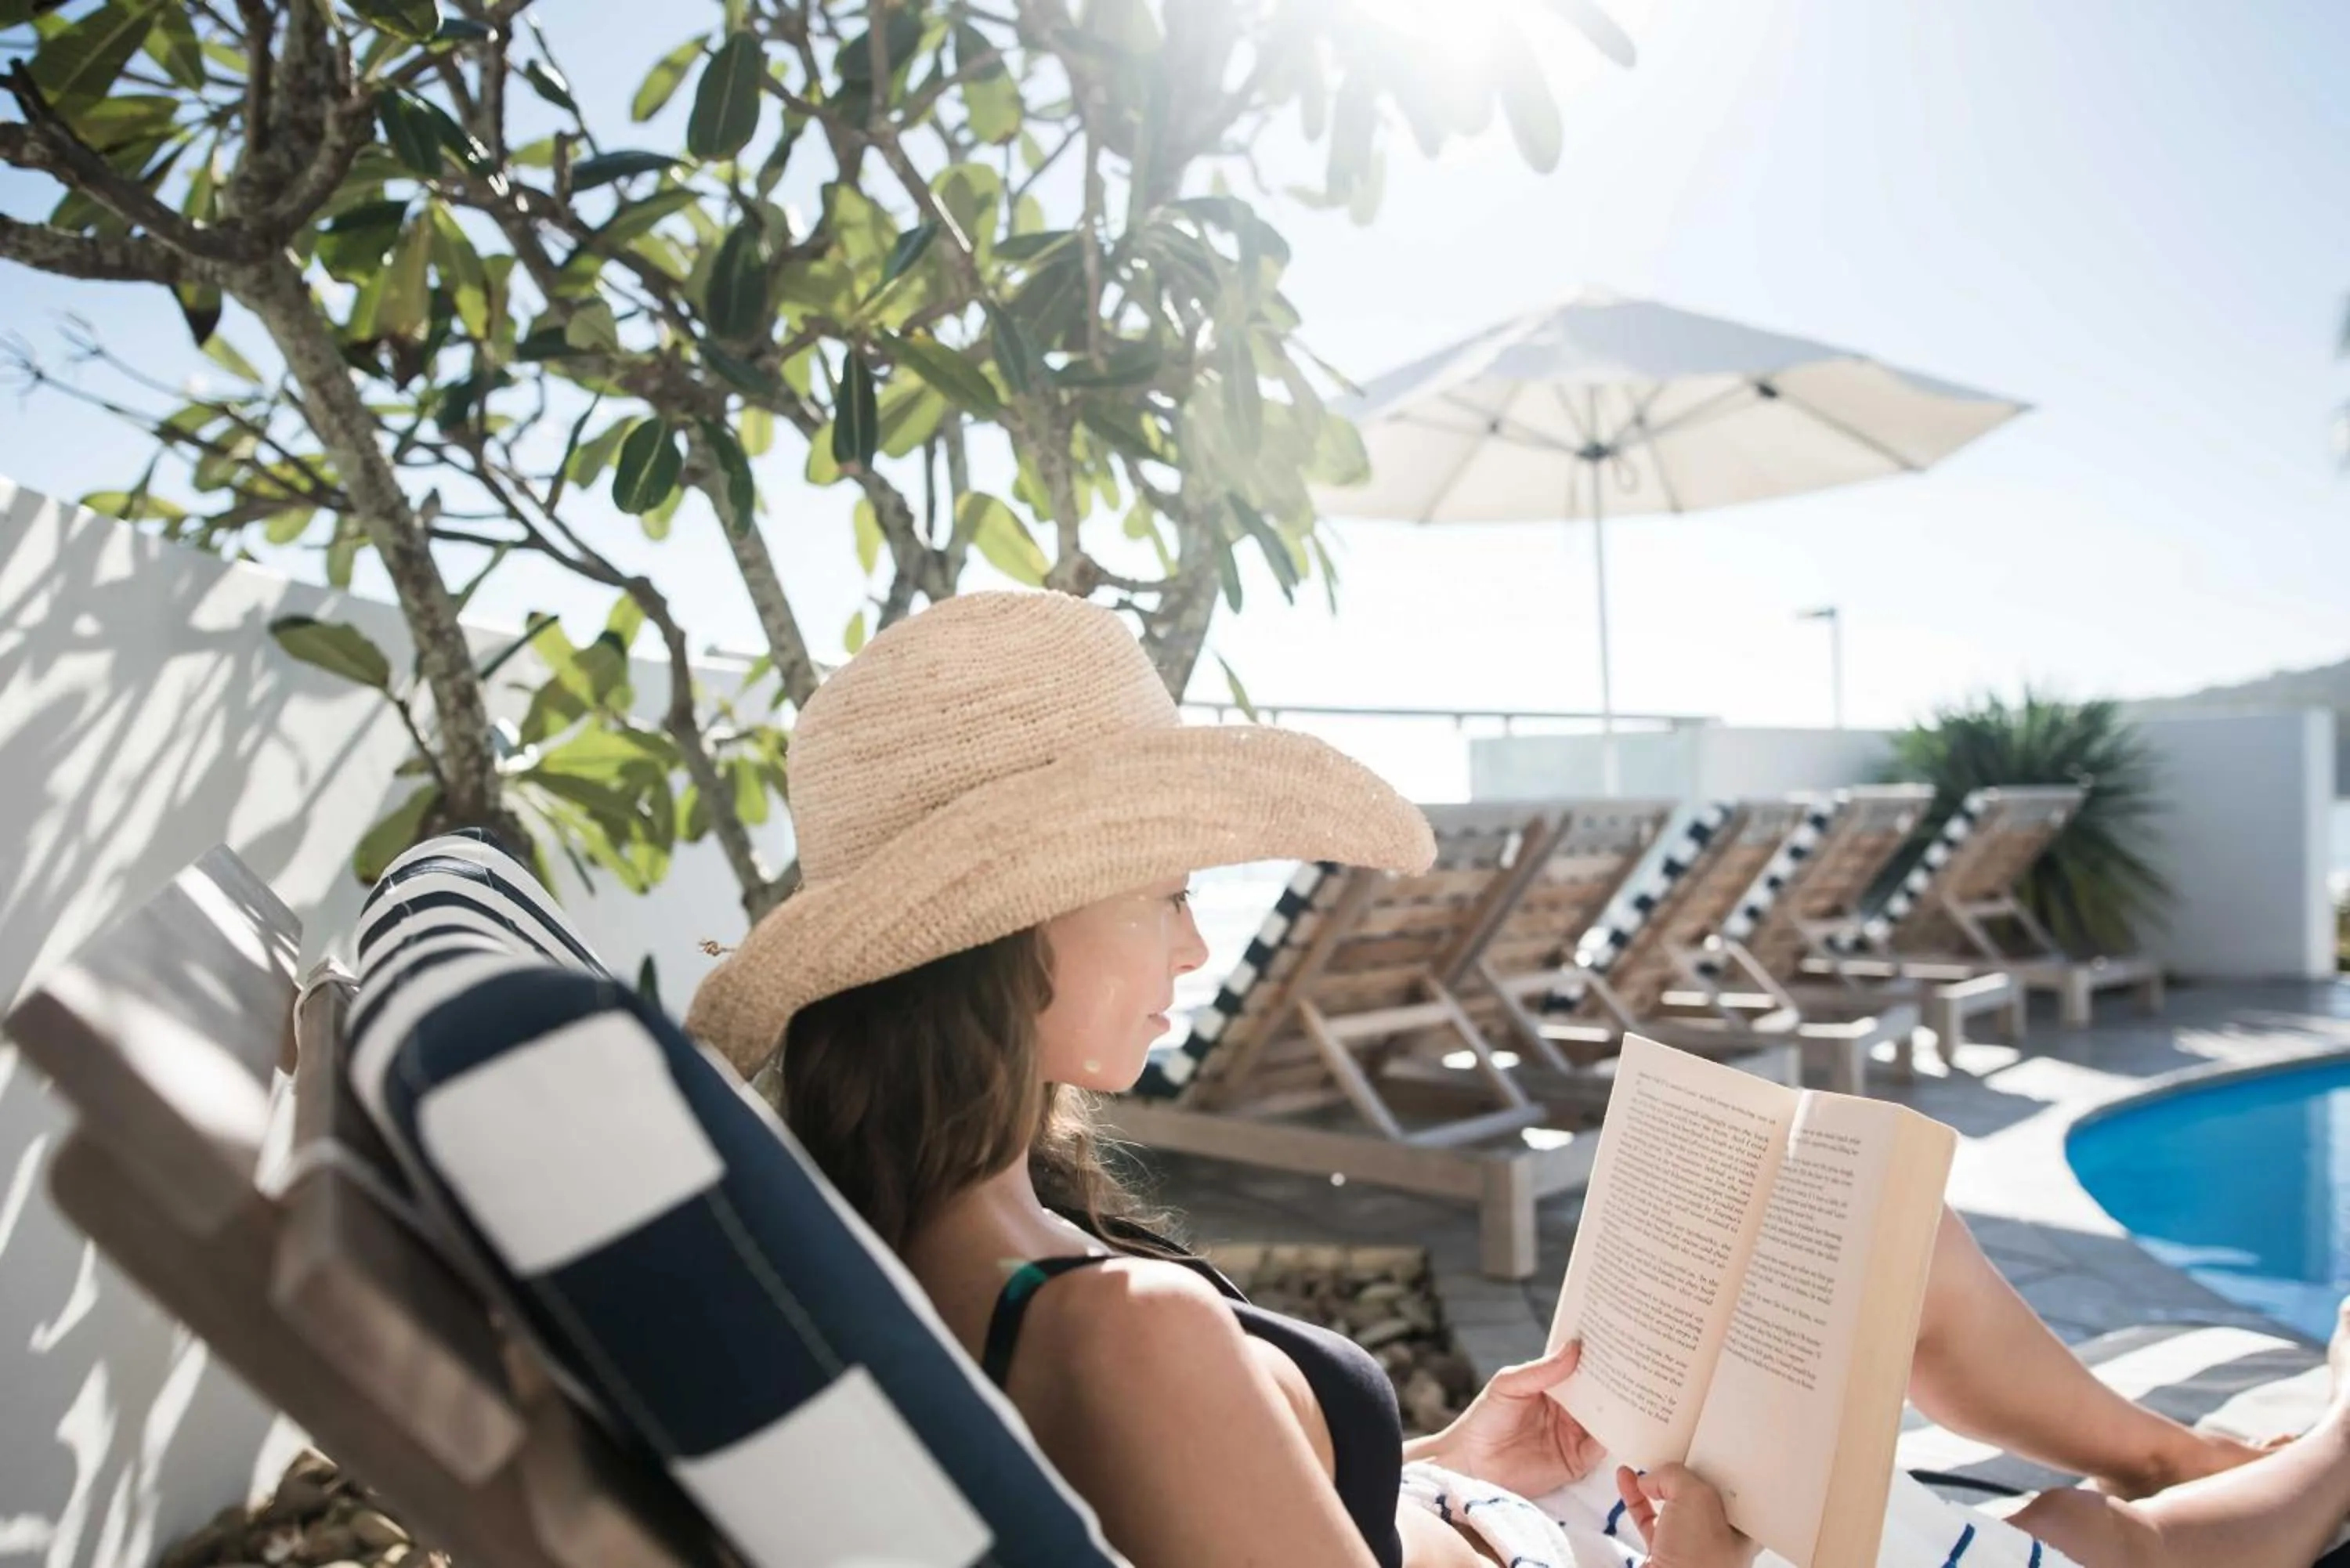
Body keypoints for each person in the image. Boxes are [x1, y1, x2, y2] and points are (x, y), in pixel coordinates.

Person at [686, 591, 2350, 1568]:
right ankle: (2262, 1479)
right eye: (1167, 891)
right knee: (2126, 1509)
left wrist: (1449, 1461)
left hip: (1494, 1515)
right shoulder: (1129, 1329)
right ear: (1023, 930)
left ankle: (2176, 1472)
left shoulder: (899, 1244)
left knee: (1886, 1243)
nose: (1196, 947)